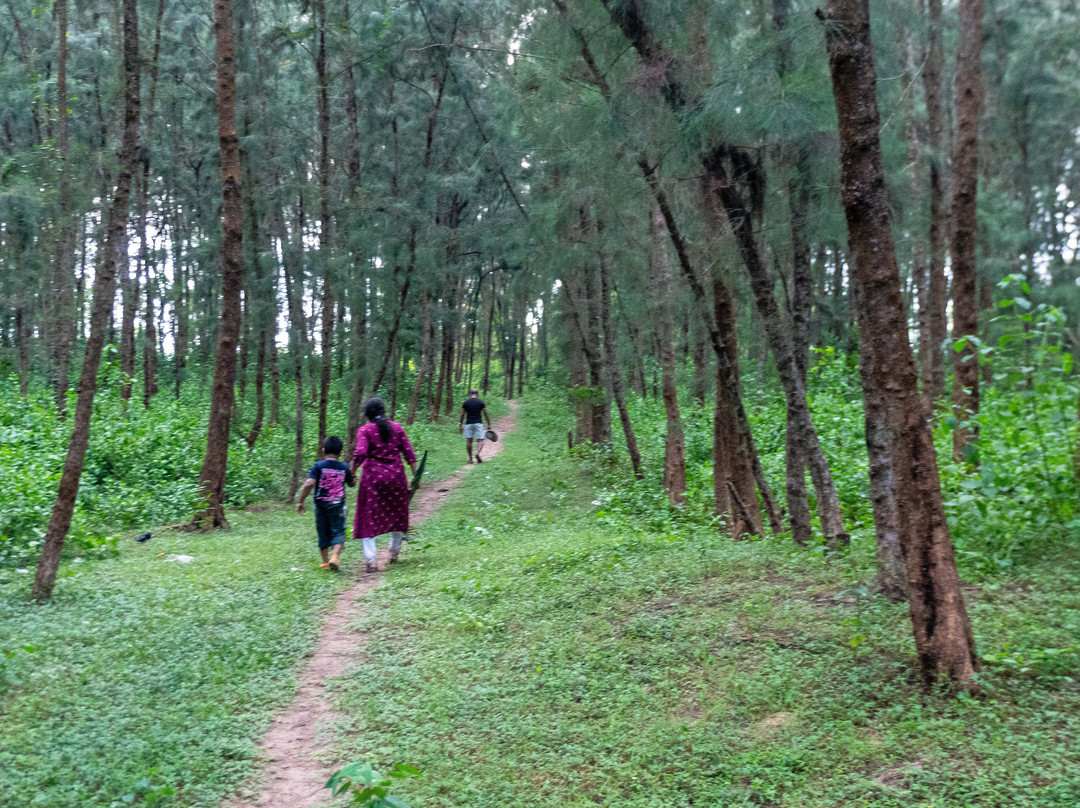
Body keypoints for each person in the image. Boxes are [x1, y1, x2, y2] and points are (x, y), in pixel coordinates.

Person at [352, 397, 418, 573]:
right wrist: (415, 476)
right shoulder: (397, 428)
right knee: (398, 515)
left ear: (367, 414)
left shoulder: (365, 430)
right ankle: (394, 553)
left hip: (373, 480)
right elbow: (409, 453)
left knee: (367, 518)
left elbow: (360, 453)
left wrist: (352, 470)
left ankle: (371, 561)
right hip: (397, 478)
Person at [296, 435, 355, 572]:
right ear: (340, 453)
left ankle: (324, 562)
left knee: (322, 531)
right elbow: (351, 483)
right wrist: (353, 476)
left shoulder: (318, 466)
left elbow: (309, 483)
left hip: (321, 506)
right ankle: (334, 556)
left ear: (323, 450)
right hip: (337, 505)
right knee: (339, 531)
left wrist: (300, 501)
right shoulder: (343, 467)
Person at [459, 389, 492, 464]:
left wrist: (460, 425)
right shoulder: (481, 402)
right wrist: (489, 424)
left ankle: (470, 459)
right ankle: (477, 453)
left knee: (469, 441)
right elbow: (485, 413)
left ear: (470, 394)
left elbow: (462, 415)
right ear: (477, 394)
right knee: (480, 440)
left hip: (468, 423)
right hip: (478, 423)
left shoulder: (466, 403)